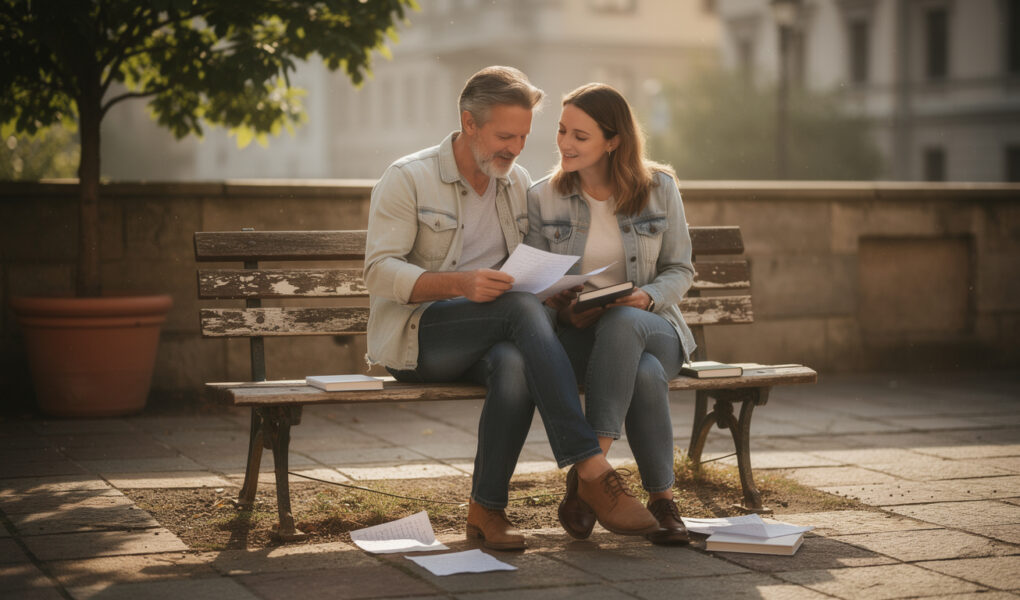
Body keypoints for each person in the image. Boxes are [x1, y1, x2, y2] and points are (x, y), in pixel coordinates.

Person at [363, 67, 658, 551]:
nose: (516, 148)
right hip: (420, 337)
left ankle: (485, 511)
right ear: (469, 123)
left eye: (523, 136)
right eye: (505, 135)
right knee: (520, 311)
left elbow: (525, 274)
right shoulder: (408, 178)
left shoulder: (515, 182)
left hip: (495, 333)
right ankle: (590, 467)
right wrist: (460, 283)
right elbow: (377, 273)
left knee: (517, 361)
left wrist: (558, 294)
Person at [525, 83, 696, 545]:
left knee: (625, 323)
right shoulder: (543, 196)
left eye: (580, 136)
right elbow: (536, 283)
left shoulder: (660, 188)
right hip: (584, 337)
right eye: (562, 131)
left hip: (654, 327)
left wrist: (647, 298)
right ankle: (662, 501)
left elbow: (681, 268)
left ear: (613, 140)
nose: (565, 143)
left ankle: (588, 481)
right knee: (640, 373)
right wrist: (561, 307)